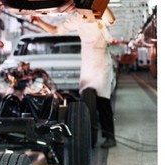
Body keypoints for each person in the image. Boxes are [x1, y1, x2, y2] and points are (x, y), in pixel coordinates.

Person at [31, 10, 117, 148]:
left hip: (102, 63)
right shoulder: (77, 19)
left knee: (103, 101)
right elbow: (55, 30)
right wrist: (38, 20)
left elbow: (112, 19)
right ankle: (88, 135)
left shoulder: (100, 18)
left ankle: (110, 137)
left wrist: (103, 1)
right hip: (88, 62)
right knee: (86, 100)